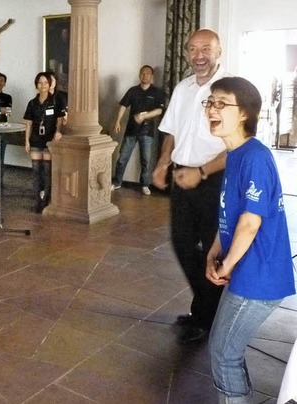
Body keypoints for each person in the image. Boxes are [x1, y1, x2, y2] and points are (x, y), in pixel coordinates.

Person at [204, 76, 295, 403]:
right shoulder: (235, 155)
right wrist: (216, 249)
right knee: (225, 350)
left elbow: (250, 222)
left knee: (223, 353)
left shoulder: (254, 156)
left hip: (258, 275)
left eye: (221, 103)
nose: (212, 110)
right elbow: (231, 209)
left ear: (244, 113)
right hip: (246, 270)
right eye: (209, 103)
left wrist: (226, 264)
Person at [152, 29, 229, 345]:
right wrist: (162, 163)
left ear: (218, 51)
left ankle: (207, 316)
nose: (199, 55)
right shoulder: (183, 88)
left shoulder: (230, 89)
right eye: (193, 49)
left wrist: (202, 171)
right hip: (183, 177)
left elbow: (239, 144)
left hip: (216, 180)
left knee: (213, 250)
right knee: (182, 243)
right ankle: (209, 309)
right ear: (185, 53)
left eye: (206, 49)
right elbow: (171, 132)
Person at [111, 65, 166, 195]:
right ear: (139, 75)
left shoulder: (157, 92)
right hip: (131, 130)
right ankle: (117, 182)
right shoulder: (133, 91)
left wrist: (144, 116)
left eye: (147, 73)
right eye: (142, 73)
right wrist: (118, 121)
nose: (144, 75)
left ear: (152, 76)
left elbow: (159, 110)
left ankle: (145, 185)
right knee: (122, 158)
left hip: (147, 132)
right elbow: (123, 106)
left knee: (145, 161)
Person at [23, 72, 64, 213]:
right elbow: (28, 123)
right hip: (35, 139)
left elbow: (59, 120)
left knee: (47, 171)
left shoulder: (56, 101)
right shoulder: (32, 103)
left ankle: (47, 199)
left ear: (50, 84)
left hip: (49, 140)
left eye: (45, 82)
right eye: (40, 83)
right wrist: (26, 141)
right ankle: (37, 200)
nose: (43, 85)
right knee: (36, 171)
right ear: (36, 85)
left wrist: (58, 132)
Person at [0, 72, 12, 184]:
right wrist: (1, 109)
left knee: (0, 156)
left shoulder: (7, 97)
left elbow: (9, 112)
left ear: (4, 83)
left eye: (2, 80)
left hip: (2, 129)